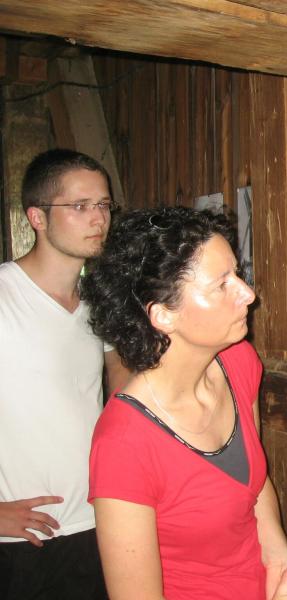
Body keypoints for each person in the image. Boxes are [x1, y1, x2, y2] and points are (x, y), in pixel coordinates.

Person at [81, 206, 287, 600]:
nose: (248, 294)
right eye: (222, 285)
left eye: (237, 274)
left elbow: (253, 486)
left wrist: (280, 562)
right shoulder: (123, 443)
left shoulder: (238, 362)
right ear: (163, 315)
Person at [0, 148, 128, 599]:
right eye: (79, 206)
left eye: (104, 204)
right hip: (23, 542)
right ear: (37, 217)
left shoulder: (98, 303)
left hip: (99, 522)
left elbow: (119, 371)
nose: (99, 218)